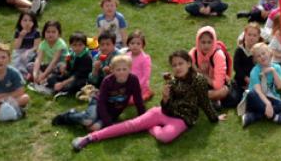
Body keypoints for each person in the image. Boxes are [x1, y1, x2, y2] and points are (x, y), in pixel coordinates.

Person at [72, 49, 223, 149]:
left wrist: (214, 118)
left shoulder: (199, 80)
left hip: (182, 119)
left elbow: (204, 101)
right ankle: (89, 138)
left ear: (189, 63)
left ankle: (148, 126)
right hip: (162, 113)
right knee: (129, 125)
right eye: (174, 65)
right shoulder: (172, 81)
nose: (177, 67)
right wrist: (165, 99)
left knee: (164, 137)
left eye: (181, 63)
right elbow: (165, 108)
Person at [53, 53, 145, 132]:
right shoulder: (107, 81)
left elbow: (138, 99)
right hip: (97, 103)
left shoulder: (133, 80)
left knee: (93, 128)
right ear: (112, 70)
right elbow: (101, 103)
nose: (121, 72)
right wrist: (108, 122)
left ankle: (79, 115)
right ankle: (67, 116)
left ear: (130, 69)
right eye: (118, 70)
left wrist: (143, 117)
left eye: (124, 69)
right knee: (88, 120)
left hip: (113, 110)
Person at [240, 42, 281, 127]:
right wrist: (268, 104)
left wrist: (273, 71)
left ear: (269, 53)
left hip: (270, 96)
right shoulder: (255, 71)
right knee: (251, 93)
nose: (262, 57)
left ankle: (252, 116)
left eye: (263, 53)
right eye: (258, 56)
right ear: (256, 60)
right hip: (255, 98)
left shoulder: (277, 67)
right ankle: (276, 117)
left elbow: (280, 85)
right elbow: (258, 91)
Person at [188, 26, 231, 107]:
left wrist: (201, 73)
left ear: (214, 42)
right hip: (200, 85)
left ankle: (198, 99)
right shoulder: (192, 54)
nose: (206, 46)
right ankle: (207, 100)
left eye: (209, 42)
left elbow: (218, 85)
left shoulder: (218, 55)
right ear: (198, 42)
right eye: (203, 42)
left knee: (224, 91)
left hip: (215, 86)